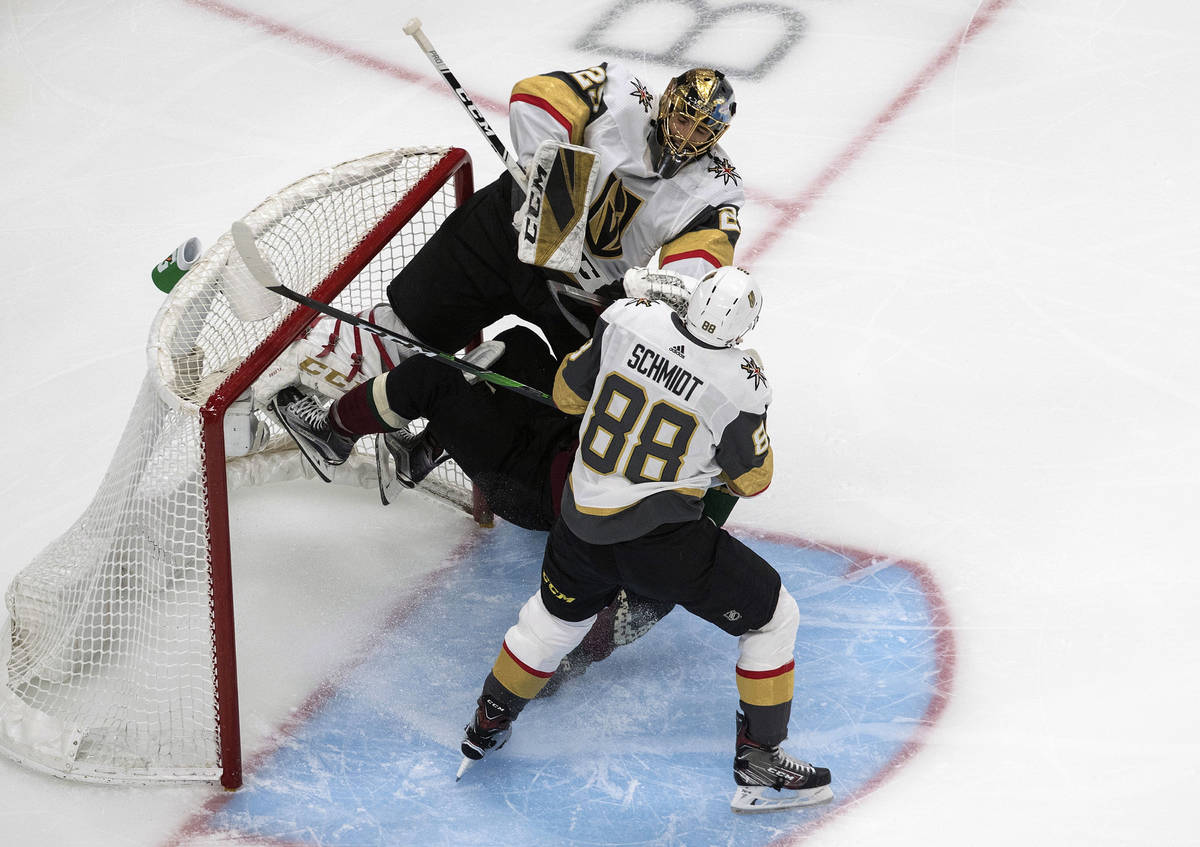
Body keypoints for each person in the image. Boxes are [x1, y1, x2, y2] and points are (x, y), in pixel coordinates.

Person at [456, 267, 834, 814]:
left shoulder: (629, 321)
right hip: (661, 542)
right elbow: (752, 480)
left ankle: (487, 722)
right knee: (774, 616)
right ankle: (760, 760)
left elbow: (565, 395)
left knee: (550, 623)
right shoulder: (741, 382)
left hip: (579, 525)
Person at [384, 62, 745, 362]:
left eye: (702, 131)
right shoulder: (623, 94)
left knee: (588, 402)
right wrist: (551, 189)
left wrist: (643, 294)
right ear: (667, 102)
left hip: (585, 294)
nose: (686, 136)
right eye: (684, 119)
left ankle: (444, 431)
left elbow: (691, 280)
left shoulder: (716, 191)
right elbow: (535, 96)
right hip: (507, 233)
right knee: (402, 335)